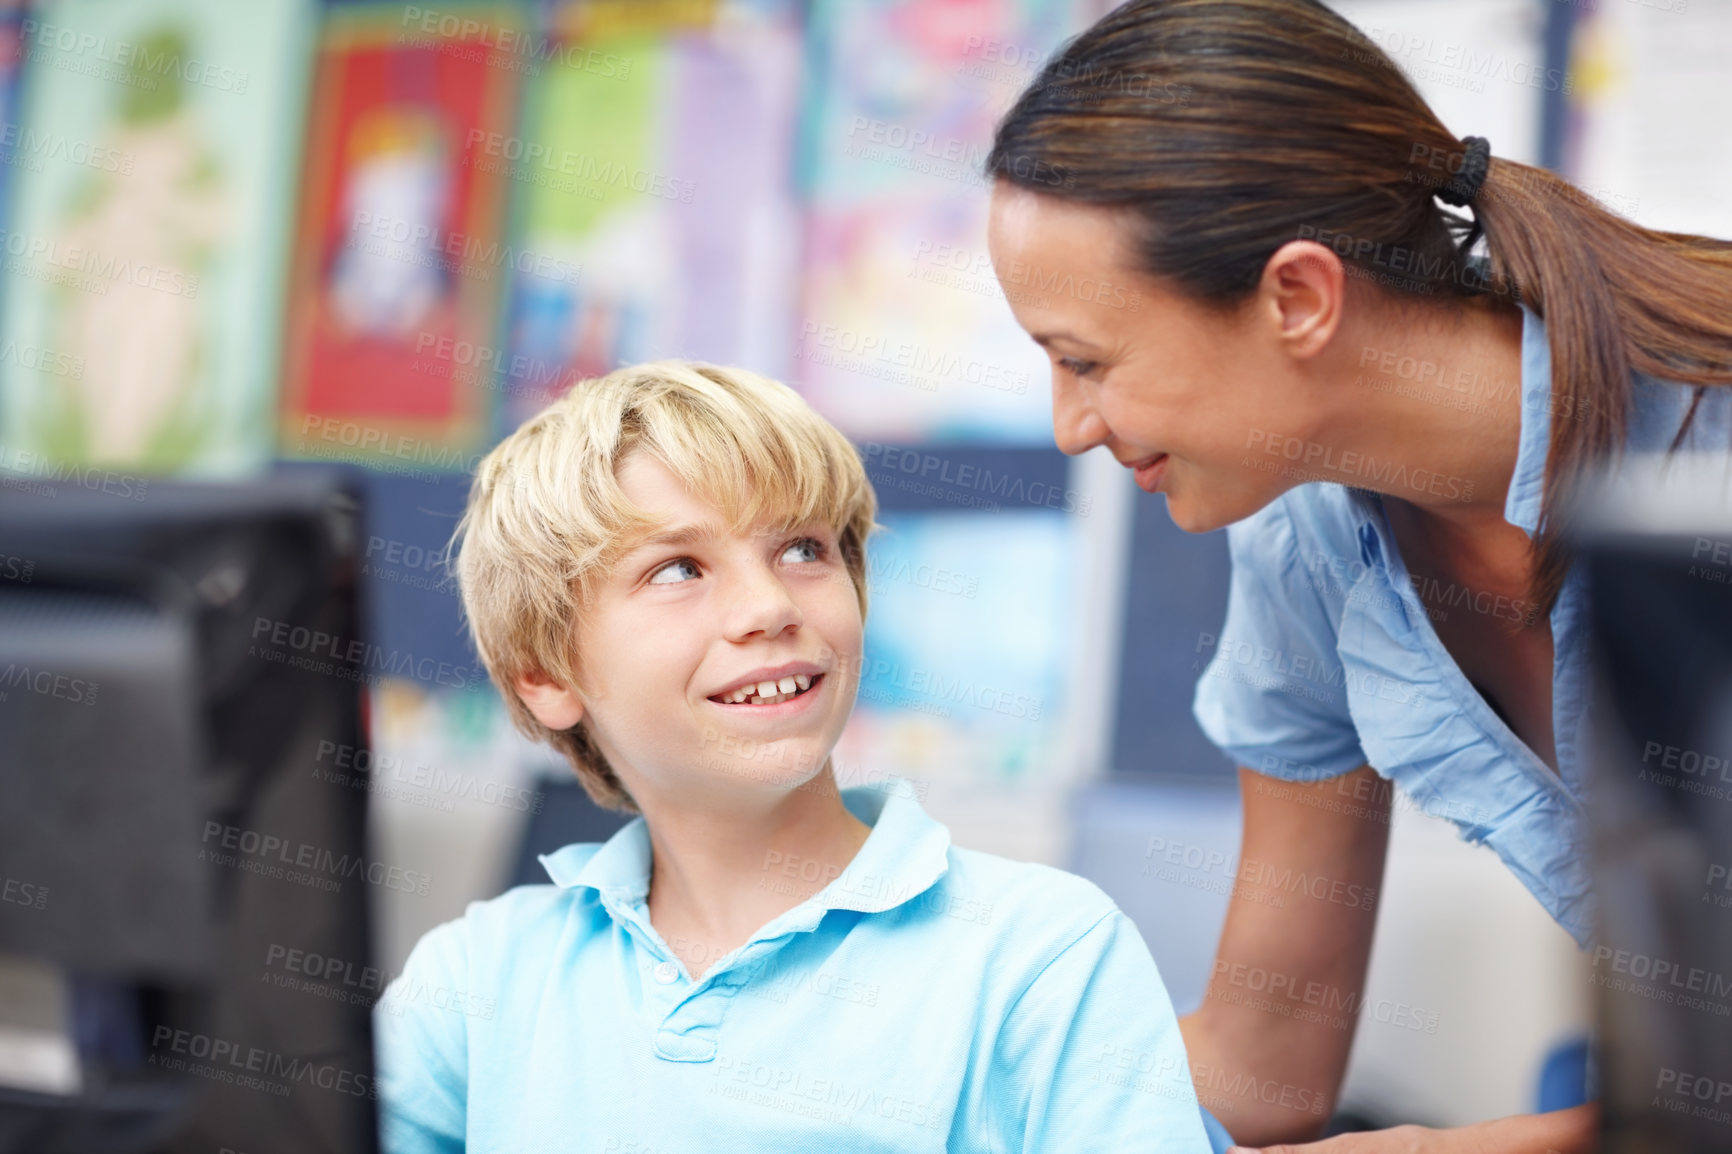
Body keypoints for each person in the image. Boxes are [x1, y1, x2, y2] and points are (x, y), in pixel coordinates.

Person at [979, 0, 1732, 1151]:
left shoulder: (1701, 444)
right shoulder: (1305, 546)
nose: (1069, 426)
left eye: (1084, 361)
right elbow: (1260, 1055)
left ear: (1298, 296)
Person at [372, 361, 1222, 1152]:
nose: (770, 605)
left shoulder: (1041, 954)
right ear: (547, 675)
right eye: (677, 569)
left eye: (804, 550)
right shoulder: (479, 980)